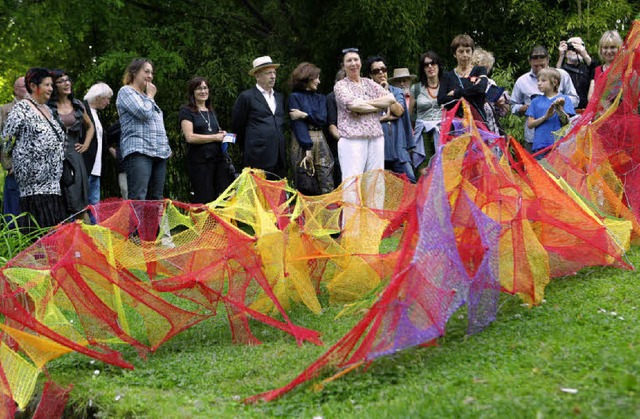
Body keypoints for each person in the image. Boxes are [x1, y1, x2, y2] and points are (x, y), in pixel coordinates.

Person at [1, 68, 66, 228]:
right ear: (33, 86)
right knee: (38, 233)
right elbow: (7, 141)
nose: (51, 88)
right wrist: (18, 161)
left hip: (53, 185)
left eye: (51, 85)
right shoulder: (21, 108)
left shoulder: (48, 110)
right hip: (33, 187)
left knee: (53, 232)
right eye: (46, 85)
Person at [334, 48, 396, 182]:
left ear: (360, 63)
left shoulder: (369, 83)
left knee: (376, 181)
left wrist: (364, 104)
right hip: (352, 139)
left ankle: (373, 205)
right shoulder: (341, 86)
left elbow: (390, 99)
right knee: (352, 182)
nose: (353, 63)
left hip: (376, 136)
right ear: (343, 66)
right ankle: (352, 205)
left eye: (356, 59)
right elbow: (354, 106)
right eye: (349, 60)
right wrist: (377, 105)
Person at [116, 58, 171, 200]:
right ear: (134, 72)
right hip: (139, 150)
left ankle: (152, 224)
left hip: (159, 153)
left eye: (152, 73)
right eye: (146, 71)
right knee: (139, 197)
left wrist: (166, 148)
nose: (150, 76)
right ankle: (136, 224)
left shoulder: (146, 97)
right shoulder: (126, 91)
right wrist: (151, 96)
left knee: (156, 198)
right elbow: (143, 113)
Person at [511, 46, 579, 152]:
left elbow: (575, 99)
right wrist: (524, 108)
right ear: (530, 62)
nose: (539, 69)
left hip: (559, 139)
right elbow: (513, 106)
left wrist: (559, 103)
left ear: (548, 60)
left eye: (542, 65)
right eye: (535, 66)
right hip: (533, 139)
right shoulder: (522, 81)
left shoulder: (562, 75)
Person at [48, 70, 94, 219]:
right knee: (58, 204)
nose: (67, 83)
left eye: (68, 80)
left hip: (74, 158)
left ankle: (87, 241)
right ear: (54, 86)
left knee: (79, 203)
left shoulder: (78, 104)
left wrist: (86, 144)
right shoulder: (47, 107)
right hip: (53, 159)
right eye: (61, 81)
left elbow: (90, 126)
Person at [232, 56, 287, 180]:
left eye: (274, 72)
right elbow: (237, 127)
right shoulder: (246, 97)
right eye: (268, 73)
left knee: (277, 195)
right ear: (257, 76)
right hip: (257, 157)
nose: (273, 76)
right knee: (258, 194)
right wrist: (251, 147)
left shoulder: (279, 97)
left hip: (279, 156)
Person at [179, 76, 233, 203]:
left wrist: (222, 134)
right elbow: (190, 137)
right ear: (192, 92)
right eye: (199, 89)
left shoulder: (211, 111)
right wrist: (214, 137)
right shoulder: (186, 111)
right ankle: (204, 223)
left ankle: (219, 223)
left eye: (205, 88)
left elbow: (214, 131)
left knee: (220, 197)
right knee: (204, 197)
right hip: (200, 162)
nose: (203, 91)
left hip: (217, 159)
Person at [366, 56, 415, 182]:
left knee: (410, 182)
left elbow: (398, 111)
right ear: (370, 75)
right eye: (376, 71)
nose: (381, 73)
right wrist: (385, 118)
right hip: (377, 150)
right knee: (378, 188)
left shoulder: (396, 91)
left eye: (383, 69)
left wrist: (385, 92)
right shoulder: (366, 94)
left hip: (398, 149)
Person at [288, 62, 334, 194]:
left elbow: (322, 120)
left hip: (320, 138)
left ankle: (326, 212)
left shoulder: (320, 98)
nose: (319, 81)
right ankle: (305, 213)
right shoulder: (294, 97)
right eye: (316, 77)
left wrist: (304, 114)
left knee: (326, 176)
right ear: (307, 78)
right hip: (301, 141)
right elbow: (298, 125)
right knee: (305, 180)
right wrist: (307, 147)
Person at [437, 34, 488, 126]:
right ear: (454, 54)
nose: (465, 55)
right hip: (455, 125)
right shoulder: (447, 76)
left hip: (478, 124)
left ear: (472, 52)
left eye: (468, 51)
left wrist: (455, 93)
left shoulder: (480, 70)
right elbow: (441, 100)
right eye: (461, 51)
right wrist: (472, 94)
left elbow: (481, 89)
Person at [526, 67, 575, 158]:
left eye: (543, 80)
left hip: (559, 145)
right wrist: (545, 117)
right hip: (540, 144)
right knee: (541, 171)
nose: (539, 83)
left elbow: (566, 122)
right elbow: (530, 124)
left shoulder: (565, 99)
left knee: (557, 171)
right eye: (538, 81)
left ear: (555, 82)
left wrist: (559, 110)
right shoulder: (535, 101)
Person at [410, 51, 444, 171]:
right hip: (422, 134)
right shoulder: (416, 88)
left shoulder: (447, 86)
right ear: (423, 69)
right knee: (424, 170)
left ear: (438, 65)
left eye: (433, 63)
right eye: (426, 65)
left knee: (443, 170)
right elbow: (411, 116)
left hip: (443, 133)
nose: (430, 67)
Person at [0, 77, 28, 220]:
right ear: (15, 89)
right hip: (14, 170)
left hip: (34, 169)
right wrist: (9, 165)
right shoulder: (4, 110)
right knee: (13, 211)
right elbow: (2, 140)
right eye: (24, 86)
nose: (28, 88)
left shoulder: (38, 109)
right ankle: (13, 240)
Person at [83, 82, 113, 205]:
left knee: (95, 206)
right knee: (82, 204)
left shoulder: (95, 114)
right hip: (85, 166)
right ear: (98, 97)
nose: (108, 102)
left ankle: (94, 225)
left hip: (96, 168)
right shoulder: (82, 111)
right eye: (107, 99)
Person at [472, 47, 510, 135]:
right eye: (482, 67)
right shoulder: (468, 81)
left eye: (487, 68)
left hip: (490, 124)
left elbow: (502, 113)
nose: (484, 71)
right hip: (474, 124)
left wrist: (500, 103)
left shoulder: (490, 83)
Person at [556, 36, 595, 109]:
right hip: (568, 111)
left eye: (577, 46)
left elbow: (597, 73)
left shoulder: (587, 69)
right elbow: (555, 78)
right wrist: (561, 56)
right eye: (571, 46)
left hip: (586, 111)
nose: (574, 50)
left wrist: (584, 54)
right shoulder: (562, 70)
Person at [587, 30, 624, 102]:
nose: (609, 51)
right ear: (601, 50)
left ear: (619, 49)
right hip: (600, 112)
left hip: (622, 112)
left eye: (613, 47)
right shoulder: (596, 70)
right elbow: (591, 98)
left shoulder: (626, 69)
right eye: (605, 47)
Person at [325, 69, 345, 186]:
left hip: (355, 143)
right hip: (338, 144)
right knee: (340, 176)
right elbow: (331, 125)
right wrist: (344, 141)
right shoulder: (331, 98)